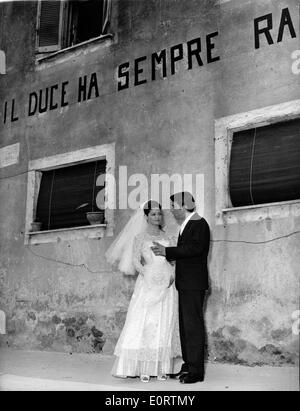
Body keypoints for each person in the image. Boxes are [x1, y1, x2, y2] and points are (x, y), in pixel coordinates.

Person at [105, 200, 181, 383]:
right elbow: (136, 261)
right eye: (153, 214)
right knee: (146, 321)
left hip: (167, 283)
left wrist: (172, 274)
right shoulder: (140, 237)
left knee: (165, 321)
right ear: (146, 216)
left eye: (159, 214)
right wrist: (147, 273)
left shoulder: (169, 237)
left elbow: (173, 260)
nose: (157, 217)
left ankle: (161, 367)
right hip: (148, 282)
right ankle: (143, 367)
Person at [152, 192, 210, 384]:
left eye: (173, 206)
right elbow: (187, 252)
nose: (171, 210)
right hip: (186, 283)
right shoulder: (186, 225)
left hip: (194, 284)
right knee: (186, 327)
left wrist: (167, 251)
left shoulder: (199, 223)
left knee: (193, 327)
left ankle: (196, 372)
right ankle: (188, 365)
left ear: (183, 206)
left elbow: (195, 249)